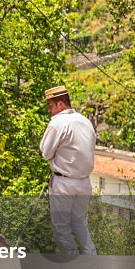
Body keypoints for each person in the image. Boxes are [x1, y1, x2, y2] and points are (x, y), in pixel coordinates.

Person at [40, 85, 97, 255]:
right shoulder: (85, 121)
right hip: (84, 182)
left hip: (64, 182)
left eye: (50, 106)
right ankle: (91, 259)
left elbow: (45, 152)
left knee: (61, 228)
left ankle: (73, 263)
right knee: (79, 223)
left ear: (60, 104)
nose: (49, 111)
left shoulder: (57, 123)